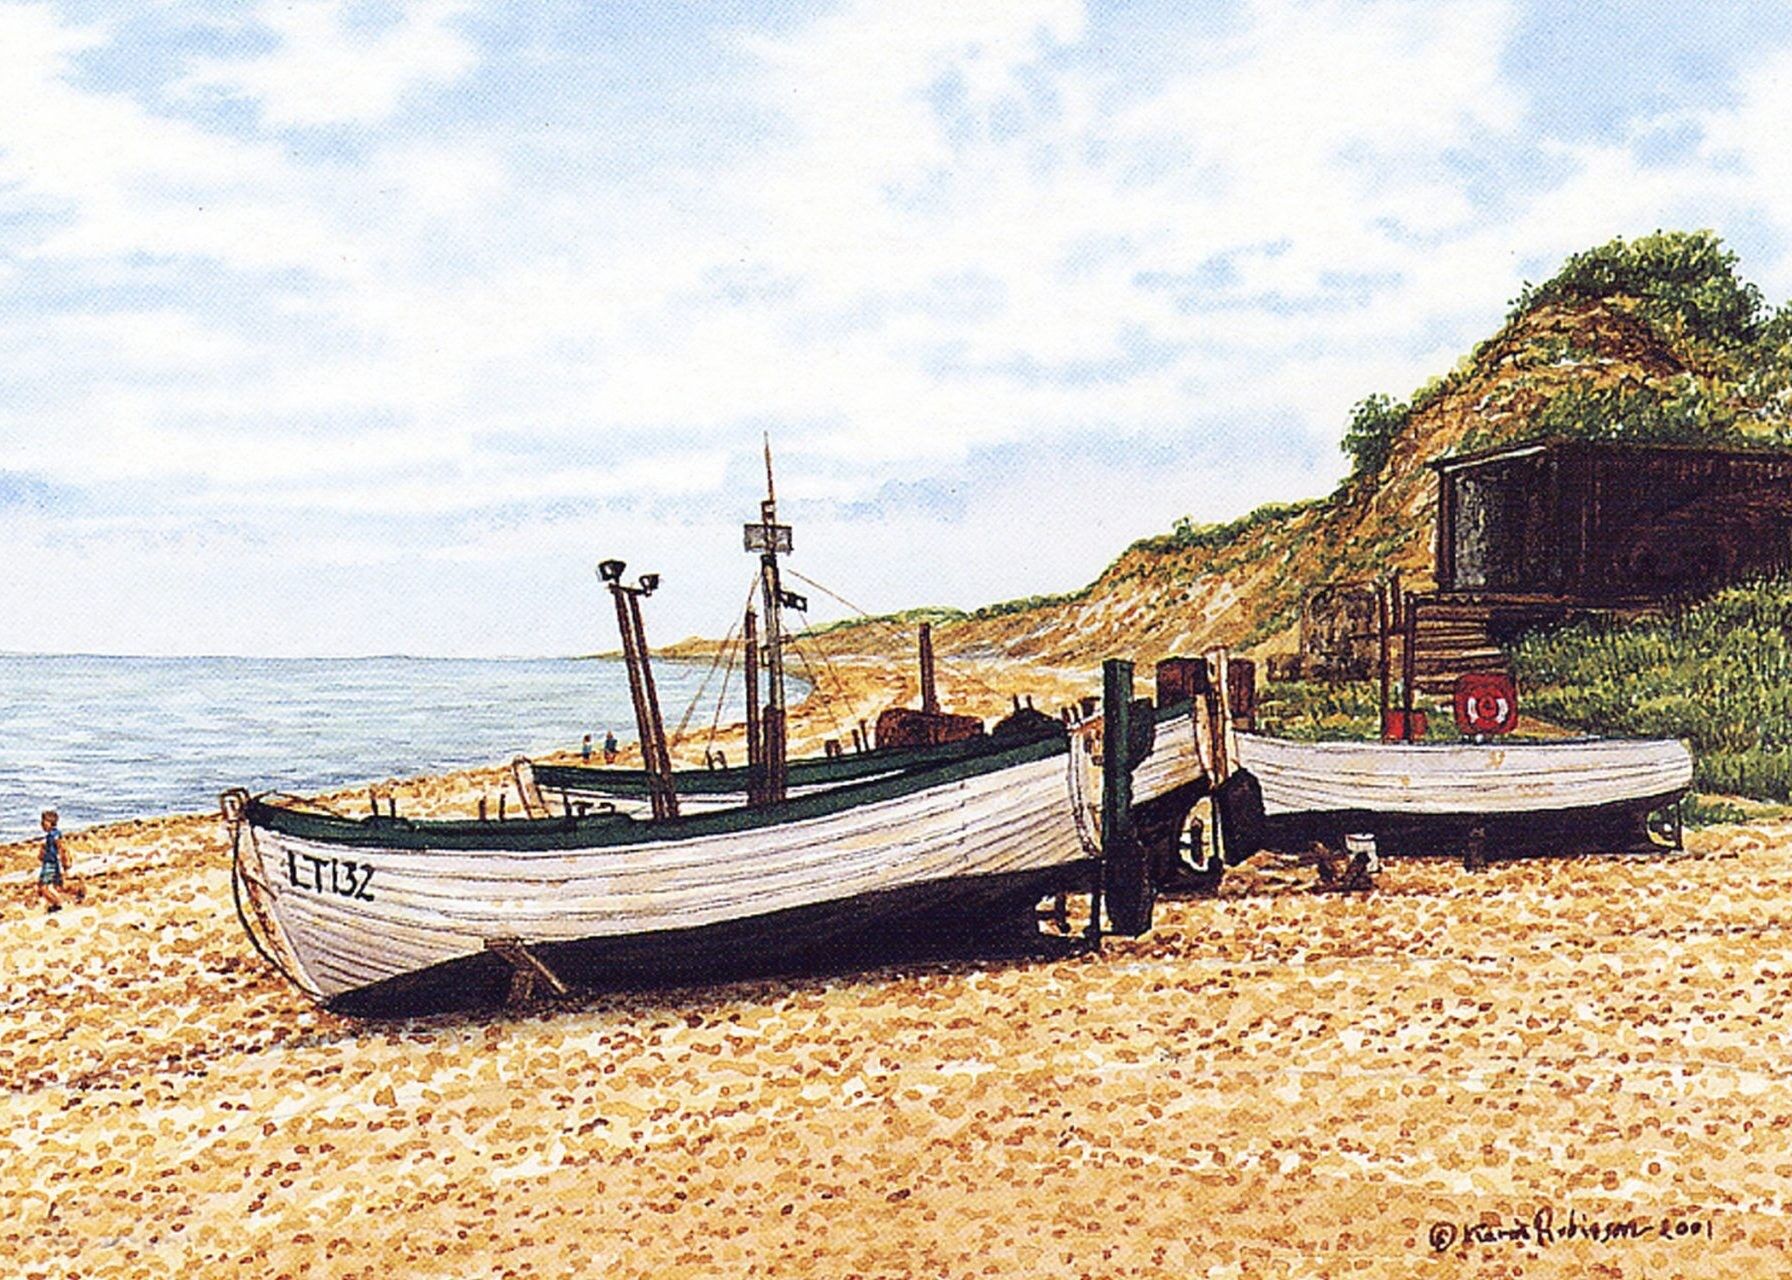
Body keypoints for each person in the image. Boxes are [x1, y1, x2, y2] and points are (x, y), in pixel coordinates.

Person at [36, 809, 82, 912]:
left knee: (43, 887)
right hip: (53, 863)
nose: (41, 824)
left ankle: (57, 904)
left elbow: (62, 848)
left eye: (43, 822)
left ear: (49, 823)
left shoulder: (53, 835)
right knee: (58, 886)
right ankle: (76, 893)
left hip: (50, 864)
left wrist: (66, 862)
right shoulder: (53, 834)